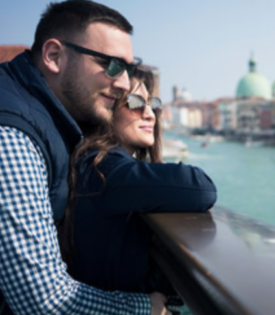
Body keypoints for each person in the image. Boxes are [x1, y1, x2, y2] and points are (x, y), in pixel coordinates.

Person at [0, 1, 168, 314]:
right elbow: (43, 301)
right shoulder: (12, 133)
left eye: (128, 69)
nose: (122, 85)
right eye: (112, 66)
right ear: (54, 56)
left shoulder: (46, 115)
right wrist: (145, 308)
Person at [61, 68, 216, 294]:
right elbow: (202, 188)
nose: (150, 114)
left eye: (153, 104)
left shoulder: (93, 162)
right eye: (135, 103)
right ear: (106, 109)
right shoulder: (105, 170)